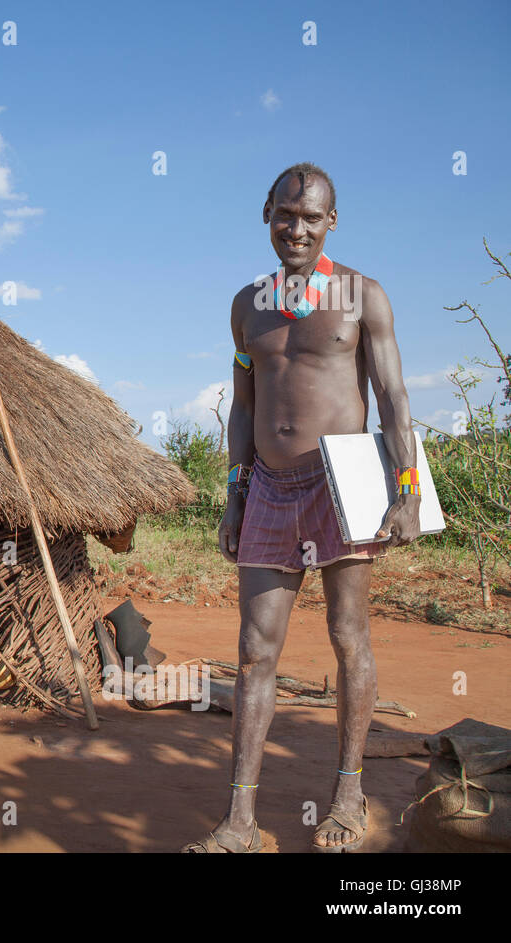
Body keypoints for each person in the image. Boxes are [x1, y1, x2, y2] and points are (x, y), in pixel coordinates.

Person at [183, 163, 421, 853]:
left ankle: (348, 795)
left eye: (311, 218)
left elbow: (395, 397)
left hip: (343, 480)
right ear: (267, 214)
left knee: (349, 636)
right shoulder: (246, 307)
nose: (297, 228)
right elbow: (245, 407)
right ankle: (239, 823)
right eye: (286, 214)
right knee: (256, 650)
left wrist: (404, 488)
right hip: (267, 487)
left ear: (331, 223)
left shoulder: (362, 297)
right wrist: (234, 493)